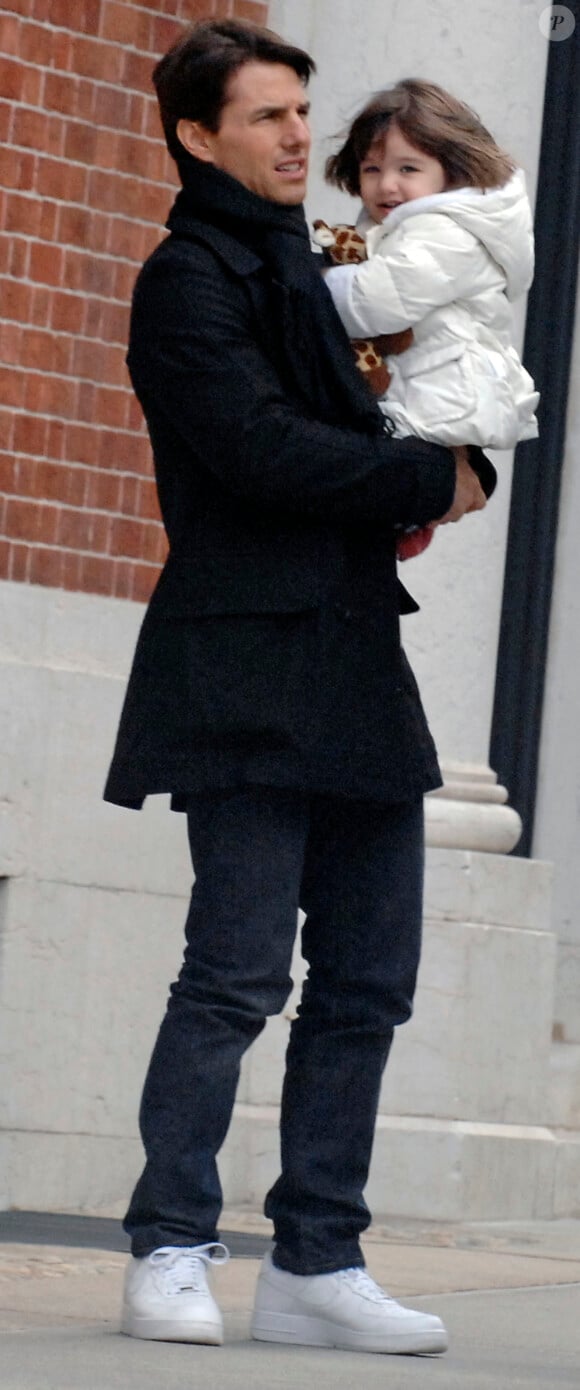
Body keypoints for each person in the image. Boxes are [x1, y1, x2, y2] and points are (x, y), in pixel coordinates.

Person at [103, 18, 490, 1357]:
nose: (293, 137)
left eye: (298, 111)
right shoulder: (188, 277)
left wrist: (469, 456)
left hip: (356, 663)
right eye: (265, 115)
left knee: (370, 979)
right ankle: (172, 1243)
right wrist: (423, 478)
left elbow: (417, 414)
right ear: (197, 134)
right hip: (240, 659)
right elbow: (261, 453)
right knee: (235, 973)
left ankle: (316, 1260)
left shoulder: (332, 266)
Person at [321, 80, 539, 453]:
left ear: (453, 171)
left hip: (443, 402)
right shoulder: (405, 226)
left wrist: (313, 282)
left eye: (407, 169)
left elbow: (375, 302)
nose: (387, 184)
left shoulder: (448, 233)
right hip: (420, 394)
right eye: (372, 169)